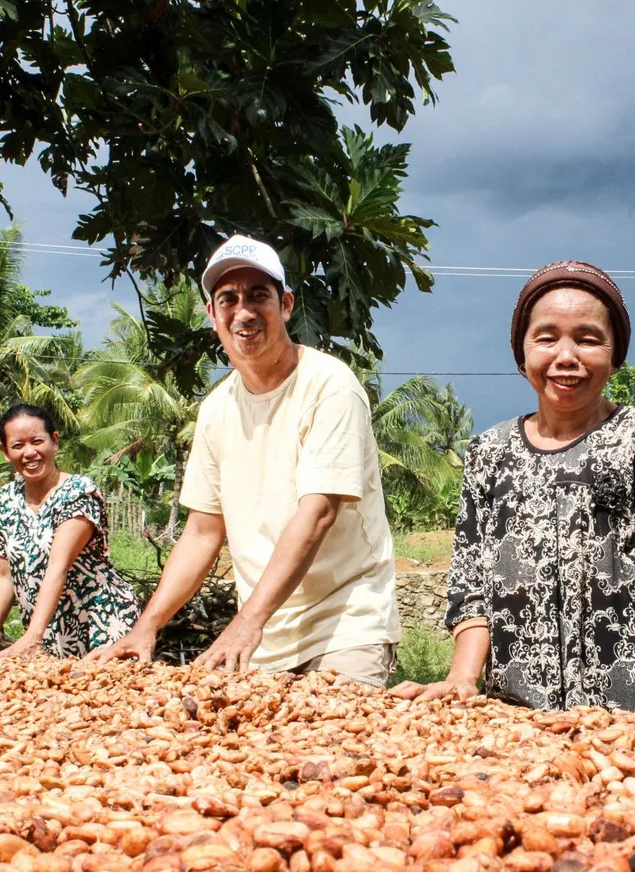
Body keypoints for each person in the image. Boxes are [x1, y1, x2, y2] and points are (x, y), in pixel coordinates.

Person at [391, 260, 635, 713]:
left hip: (630, 718)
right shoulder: (490, 451)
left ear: (614, 355)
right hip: (514, 718)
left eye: (587, 339)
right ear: (522, 354)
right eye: (546, 338)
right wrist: (462, 678)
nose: (566, 356)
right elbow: (471, 583)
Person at [85, 234, 401, 687]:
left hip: (345, 624)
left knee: (334, 750)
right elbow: (201, 531)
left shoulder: (330, 385)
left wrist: (247, 621)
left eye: (259, 295)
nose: (244, 312)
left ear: (286, 304)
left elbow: (317, 514)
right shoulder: (216, 410)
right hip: (264, 639)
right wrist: (146, 627)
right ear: (212, 315)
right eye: (228, 299)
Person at [0, 404, 141, 658]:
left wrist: (32, 638)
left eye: (37, 441)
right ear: (5, 452)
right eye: (18, 446)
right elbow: (4, 577)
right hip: (47, 632)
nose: (29, 452)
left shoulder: (78, 493)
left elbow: (57, 566)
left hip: (100, 624)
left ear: (54, 442)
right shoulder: (7, 499)